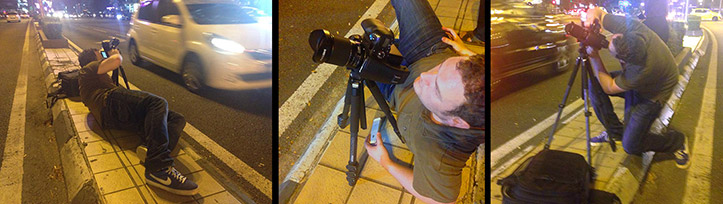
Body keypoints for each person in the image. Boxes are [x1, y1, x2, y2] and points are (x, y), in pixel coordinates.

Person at [363, 0, 484, 203]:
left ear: (457, 122)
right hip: (433, 50)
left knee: (356, 53)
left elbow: (442, 201)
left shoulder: (441, 153)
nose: (425, 76)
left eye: (436, 88)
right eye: (440, 69)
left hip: (396, 89)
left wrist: (386, 162)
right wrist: (468, 54)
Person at [77, 48, 199, 195]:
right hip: (109, 103)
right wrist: (114, 53)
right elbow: (116, 61)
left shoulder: (91, 80)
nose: (102, 58)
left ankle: (150, 149)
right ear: (93, 60)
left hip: (113, 113)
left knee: (177, 118)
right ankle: (158, 169)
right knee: (157, 103)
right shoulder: (87, 69)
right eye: (100, 56)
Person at [583, 8, 688, 168]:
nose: (606, 42)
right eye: (612, 39)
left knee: (631, 145)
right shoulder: (633, 28)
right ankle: (616, 132)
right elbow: (598, 11)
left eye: (611, 51)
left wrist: (596, 58)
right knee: (594, 83)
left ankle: (676, 142)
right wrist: (592, 18)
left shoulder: (641, 71)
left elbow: (610, 87)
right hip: (644, 77)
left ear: (625, 60)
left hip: (654, 93)